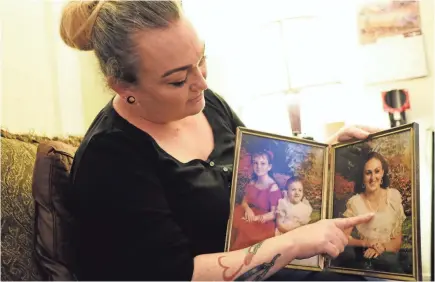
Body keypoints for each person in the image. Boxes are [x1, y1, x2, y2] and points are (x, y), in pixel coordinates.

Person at [60, 1, 378, 280]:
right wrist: (295, 243)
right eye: (177, 80)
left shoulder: (209, 104)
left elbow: (260, 176)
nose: (201, 81)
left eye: (201, 59)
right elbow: (176, 276)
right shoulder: (110, 157)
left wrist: (325, 154)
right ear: (122, 87)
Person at [337, 151, 407, 273]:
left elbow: (397, 242)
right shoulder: (355, 203)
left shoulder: (393, 197)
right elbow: (344, 238)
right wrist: (366, 242)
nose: (373, 178)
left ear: (383, 173)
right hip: (365, 264)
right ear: (362, 176)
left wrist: (381, 248)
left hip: (390, 264)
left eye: (377, 171)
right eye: (368, 173)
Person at [230, 149, 282, 251]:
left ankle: (241, 258)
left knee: (245, 228)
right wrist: (247, 209)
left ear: (269, 167)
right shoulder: (252, 183)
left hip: (263, 220)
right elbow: (244, 201)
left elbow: (274, 213)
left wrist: (256, 218)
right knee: (233, 219)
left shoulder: (273, 187)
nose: (258, 166)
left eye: (263, 164)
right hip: (249, 213)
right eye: (256, 163)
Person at [275, 177, 318, 267]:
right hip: (285, 233)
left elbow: (306, 225)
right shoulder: (284, 204)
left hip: (299, 234)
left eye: (300, 190)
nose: (297, 193)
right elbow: (279, 225)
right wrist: (291, 233)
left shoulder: (305, 207)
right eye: (293, 189)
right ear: (287, 192)